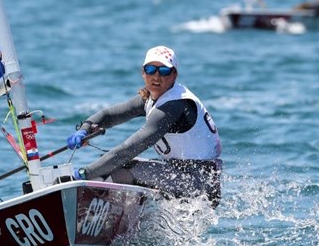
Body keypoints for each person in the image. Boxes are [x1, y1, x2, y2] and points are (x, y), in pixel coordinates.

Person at [66, 45, 223, 207]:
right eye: (150, 69)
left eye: (164, 71)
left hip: (201, 186)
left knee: (119, 169)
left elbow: (129, 149)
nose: (156, 76)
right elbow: (108, 116)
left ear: (174, 74)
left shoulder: (174, 105)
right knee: (106, 164)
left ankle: (94, 217)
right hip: (183, 175)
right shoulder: (151, 97)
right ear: (143, 73)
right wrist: (84, 130)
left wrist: (85, 173)